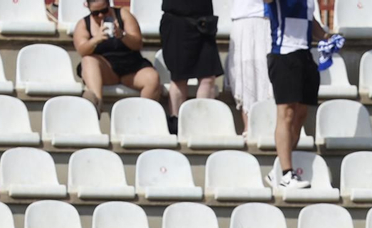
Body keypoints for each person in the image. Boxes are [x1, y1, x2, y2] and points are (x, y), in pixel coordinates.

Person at [266, 0, 327, 190]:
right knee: (287, 113)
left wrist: (327, 37)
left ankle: (278, 169)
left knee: (301, 114)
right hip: (284, 53)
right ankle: (286, 174)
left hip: (305, 54)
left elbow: (310, 21)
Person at [72, 0, 160, 109]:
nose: (101, 15)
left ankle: (144, 116)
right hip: (106, 70)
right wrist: (96, 40)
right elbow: (82, 50)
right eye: (95, 13)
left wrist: (122, 35)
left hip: (131, 67)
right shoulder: (83, 24)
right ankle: (96, 104)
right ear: (87, 7)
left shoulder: (123, 15)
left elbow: (138, 44)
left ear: (109, 5)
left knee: (152, 78)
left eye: (104, 11)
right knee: (88, 60)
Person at [160, 0, 223, 132]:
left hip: (204, 20)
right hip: (177, 19)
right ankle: (177, 126)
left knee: (208, 78)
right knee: (179, 79)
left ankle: (201, 127)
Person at [227, 0, 273, 123]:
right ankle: (249, 128)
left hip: (268, 21)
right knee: (247, 79)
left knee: (268, 79)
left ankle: (268, 126)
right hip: (246, 20)